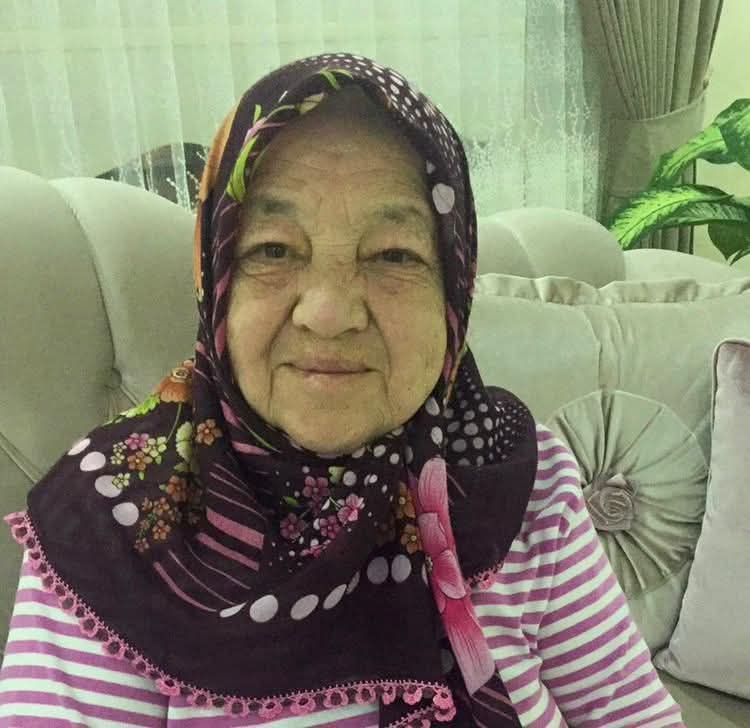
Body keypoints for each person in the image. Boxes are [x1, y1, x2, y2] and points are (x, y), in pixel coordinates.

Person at [0, 53, 684, 727]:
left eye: (392, 255)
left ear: (452, 292)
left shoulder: (516, 477)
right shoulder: (110, 520)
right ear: (217, 280)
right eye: (273, 250)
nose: (328, 313)